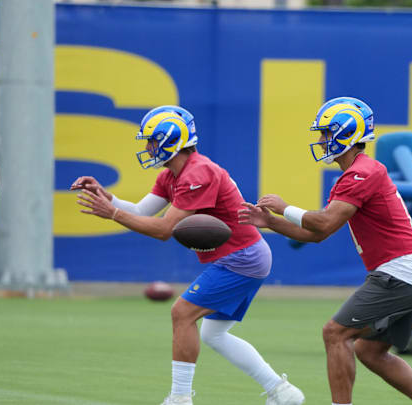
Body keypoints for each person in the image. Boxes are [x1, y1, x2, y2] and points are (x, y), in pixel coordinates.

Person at [71, 105, 305, 405]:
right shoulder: (172, 175)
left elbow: (164, 230)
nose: (147, 147)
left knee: (181, 313)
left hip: (241, 257)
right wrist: (109, 198)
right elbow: (143, 212)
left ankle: (180, 398)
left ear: (171, 140)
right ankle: (282, 392)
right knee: (213, 335)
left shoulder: (198, 173)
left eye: (152, 141)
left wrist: (113, 213)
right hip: (244, 255)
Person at [238, 97, 412, 405]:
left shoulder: (363, 171)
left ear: (346, 133)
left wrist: (284, 207)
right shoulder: (355, 174)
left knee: (335, 333)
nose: (321, 141)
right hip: (411, 273)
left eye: (325, 133)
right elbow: (317, 234)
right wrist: (270, 222)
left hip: (402, 272)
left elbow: (325, 221)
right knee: (369, 351)